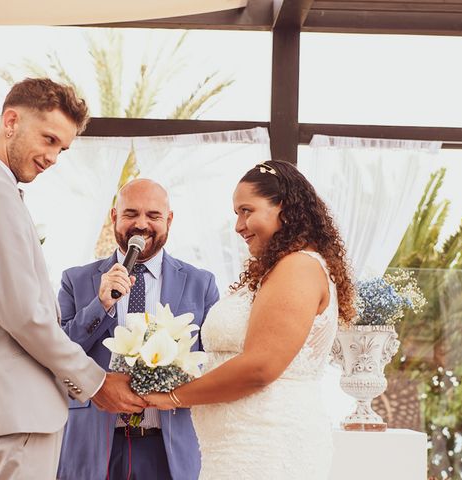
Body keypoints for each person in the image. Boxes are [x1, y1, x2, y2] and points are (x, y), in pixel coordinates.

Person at [0, 77, 145, 480]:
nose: (54, 157)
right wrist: (95, 381)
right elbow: (23, 316)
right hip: (19, 415)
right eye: (49, 139)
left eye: (63, 148)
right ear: (11, 120)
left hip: (2, 414)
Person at [146, 160, 356, 479]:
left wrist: (172, 398)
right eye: (237, 214)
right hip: (238, 447)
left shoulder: (298, 267)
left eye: (247, 211)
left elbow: (261, 367)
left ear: (284, 208)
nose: (239, 226)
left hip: (268, 446)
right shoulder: (277, 269)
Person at [57, 178, 220, 480]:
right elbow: (57, 354)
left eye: (153, 215)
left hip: (170, 449)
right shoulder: (74, 281)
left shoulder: (202, 284)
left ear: (169, 220)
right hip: (93, 446)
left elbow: (211, 365)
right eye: (131, 213)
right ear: (114, 216)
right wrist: (100, 304)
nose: (141, 224)